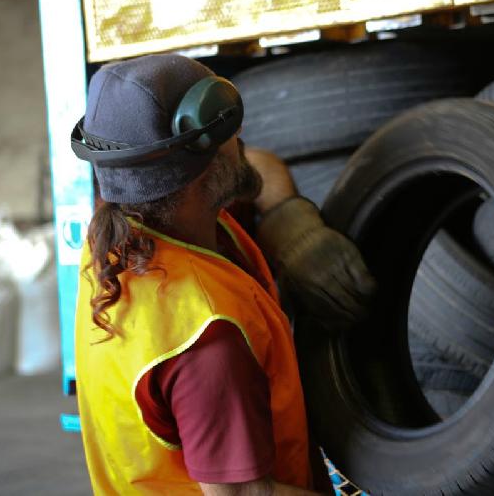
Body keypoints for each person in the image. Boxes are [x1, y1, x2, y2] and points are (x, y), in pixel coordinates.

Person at [71, 54, 375, 495]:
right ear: (207, 171)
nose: (241, 138)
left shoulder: (123, 234)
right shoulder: (207, 337)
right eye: (228, 131)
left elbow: (262, 165)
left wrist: (289, 222)